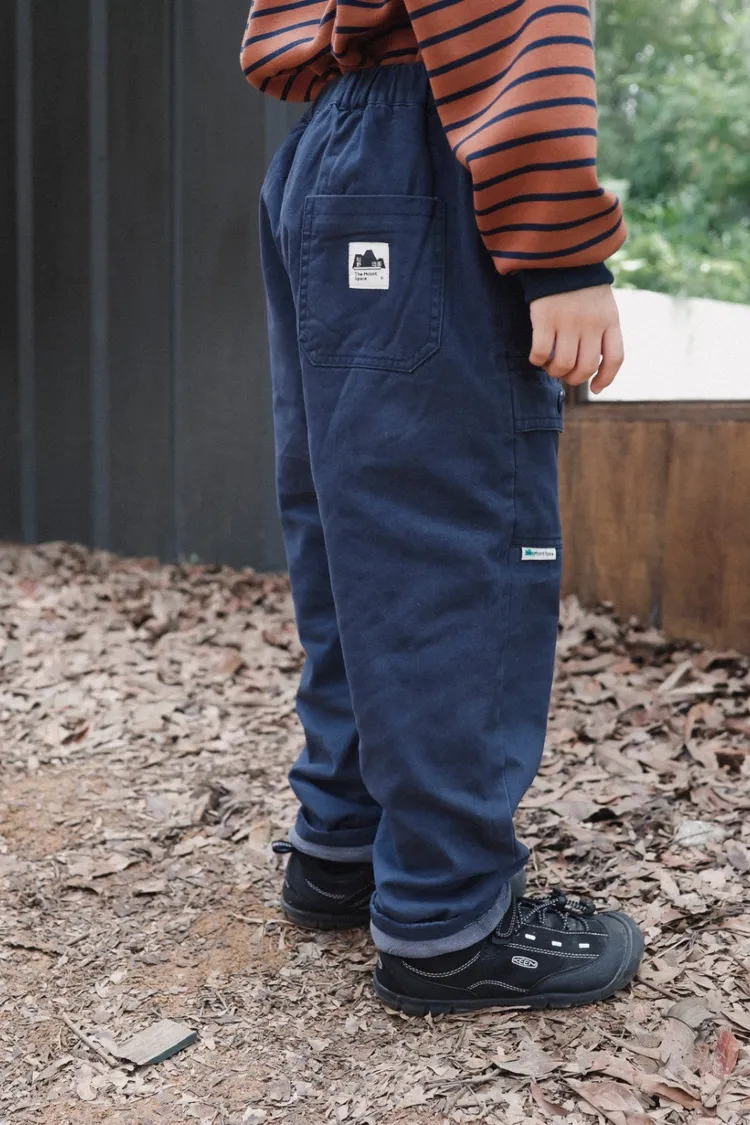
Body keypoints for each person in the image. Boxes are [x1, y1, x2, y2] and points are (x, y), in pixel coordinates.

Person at [241, 0, 643, 1015]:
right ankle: (447, 917)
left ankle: (344, 843)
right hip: (432, 147)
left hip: (336, 148)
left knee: (355, 527)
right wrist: (560, 243)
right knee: (451, 540)